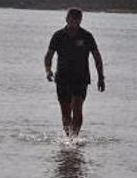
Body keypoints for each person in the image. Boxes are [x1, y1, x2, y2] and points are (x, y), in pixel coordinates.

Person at [44, 8, 105, 137]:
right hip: (62, 78)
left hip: (80, 78)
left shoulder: (87, 36)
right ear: (66, 19)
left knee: (77, 108)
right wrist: (48, 71)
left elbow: (97, 57)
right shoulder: (58, 35)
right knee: (66, 113)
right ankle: (68, 140)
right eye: (71, 19)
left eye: (76, 20)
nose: (73, 23)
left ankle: (74, 138)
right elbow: (48, 56)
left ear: (80, 21)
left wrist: (101, 77)